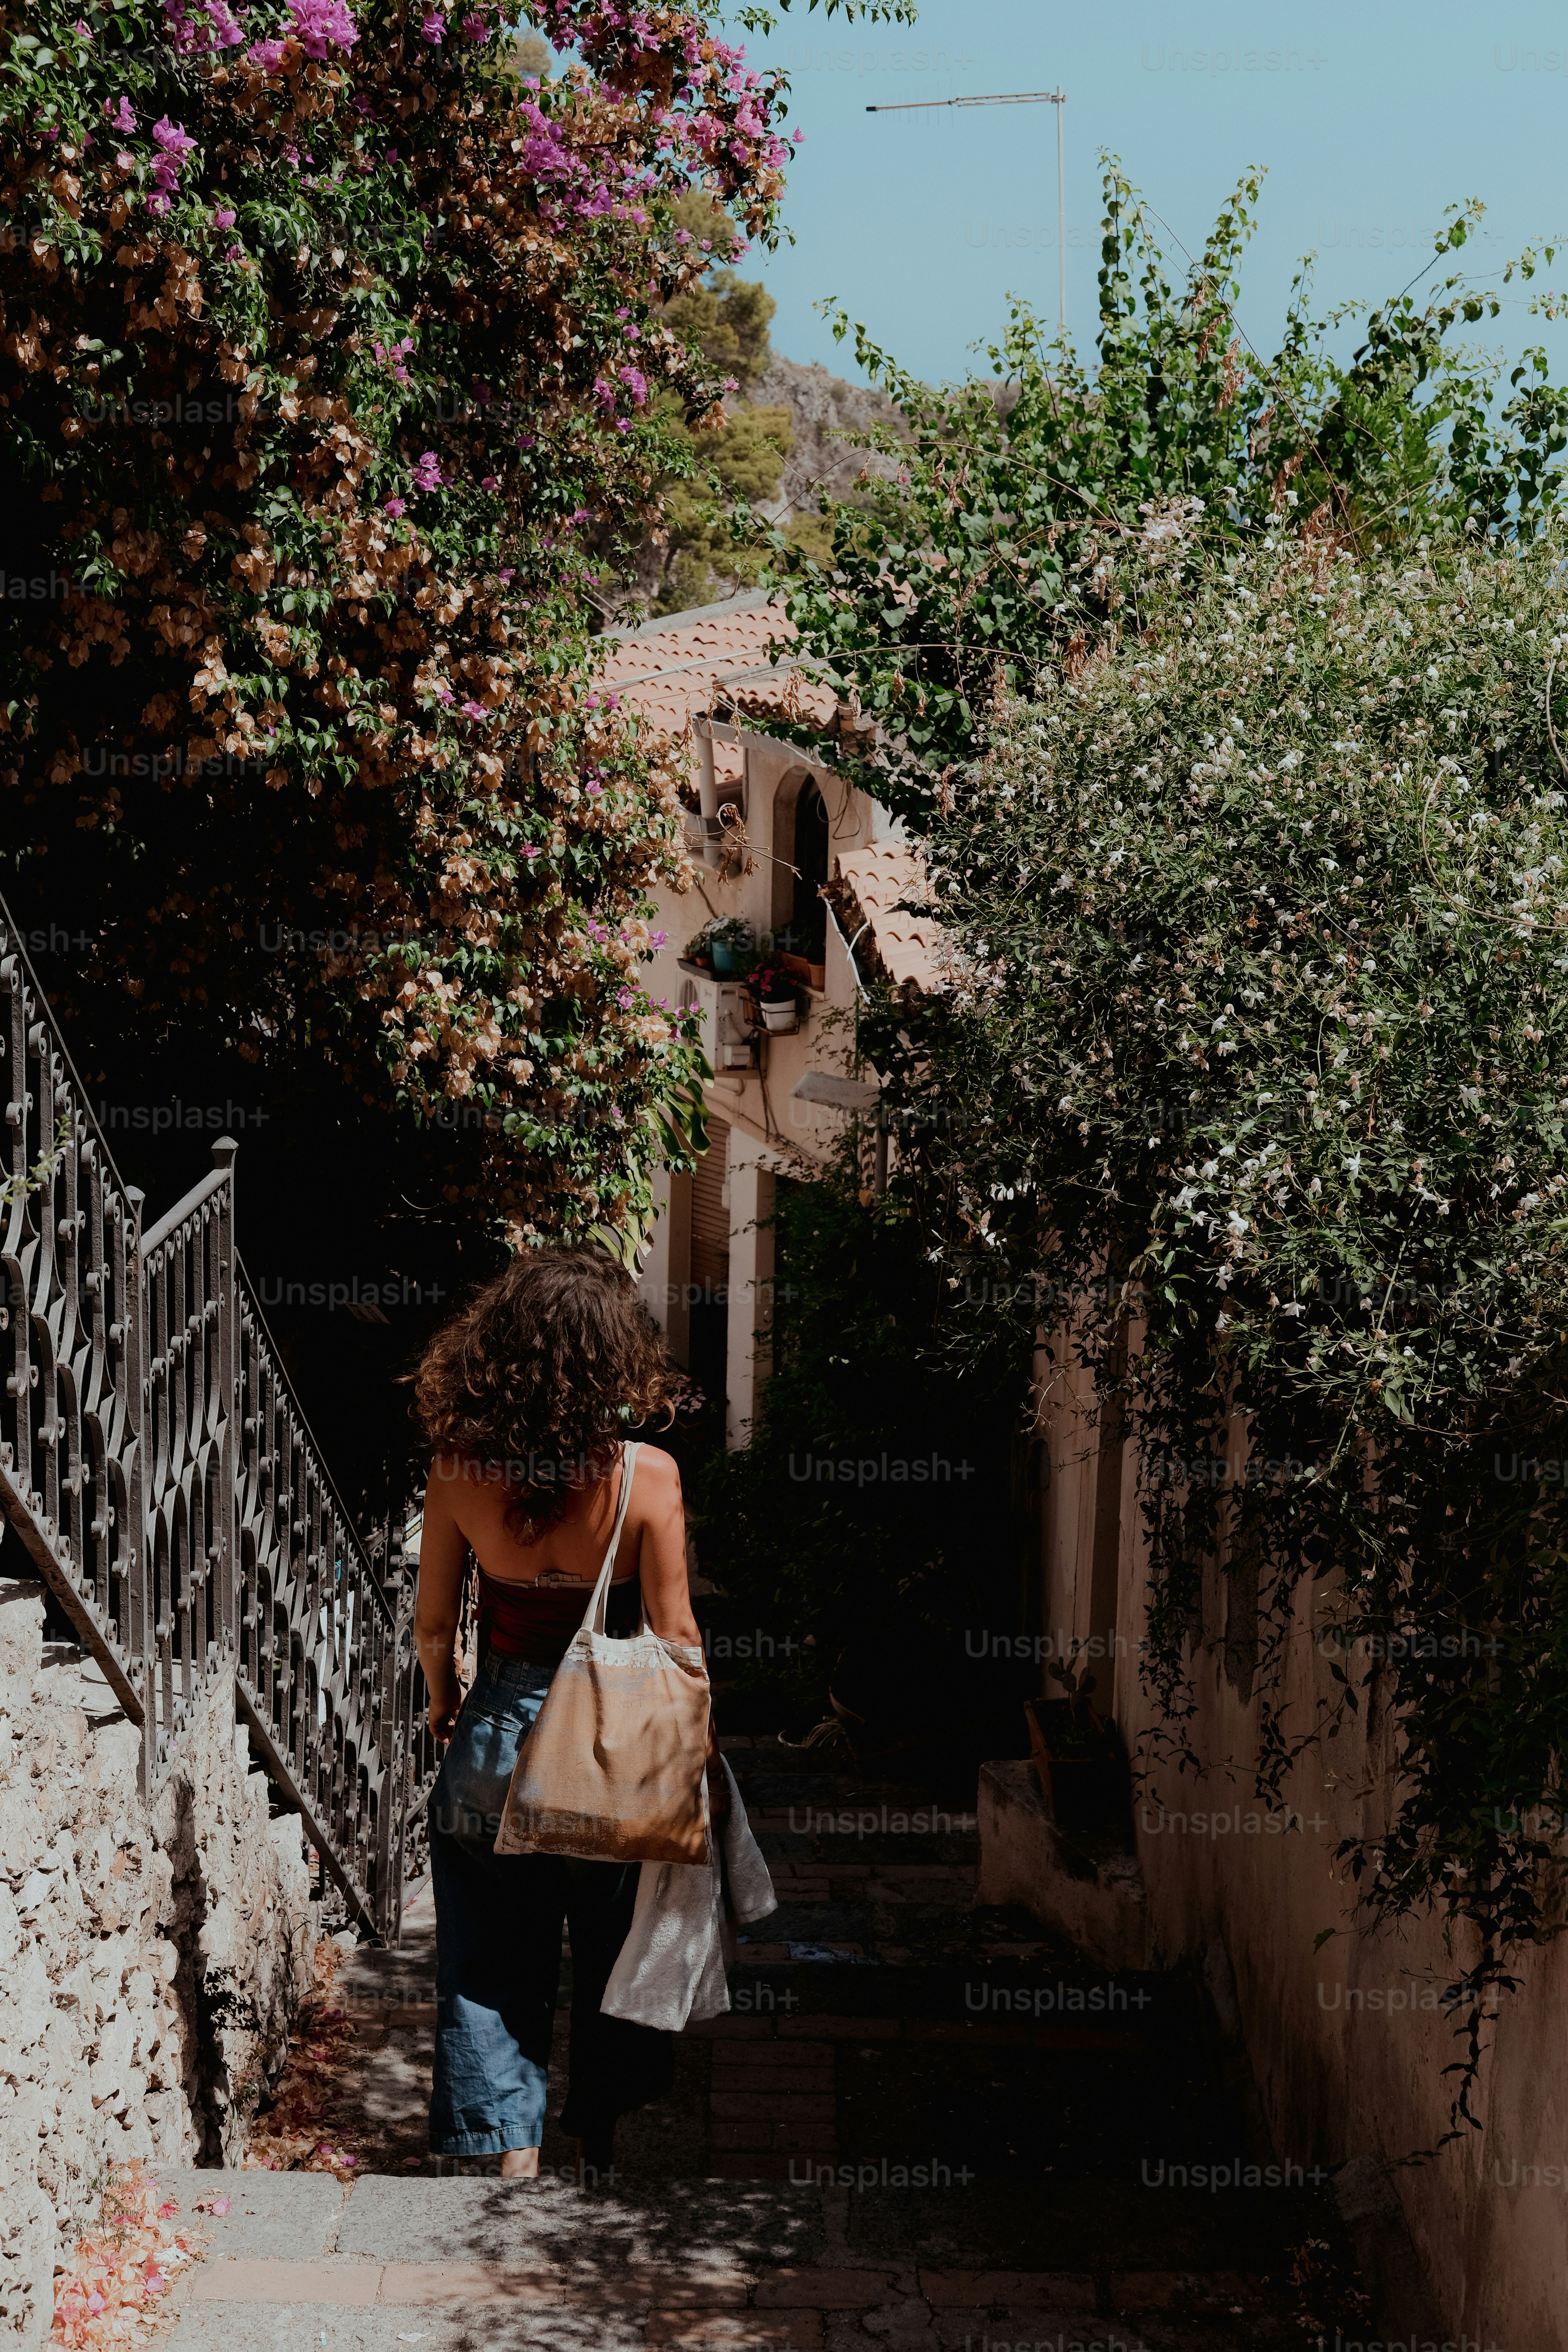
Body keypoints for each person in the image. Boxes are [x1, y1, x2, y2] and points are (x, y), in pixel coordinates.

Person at [412, 1245, 719, 2182]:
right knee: (615, 1954)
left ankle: (511, 2158)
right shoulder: (648, 1478)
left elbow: (433, 1627)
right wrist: (696, 1748)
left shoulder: (459, 1469)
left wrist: (444, 1706)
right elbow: (676, 1635)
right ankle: (599, 2146)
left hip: (494, 1739)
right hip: (612, 1748)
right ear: (611, 1357)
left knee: (487, 1959)